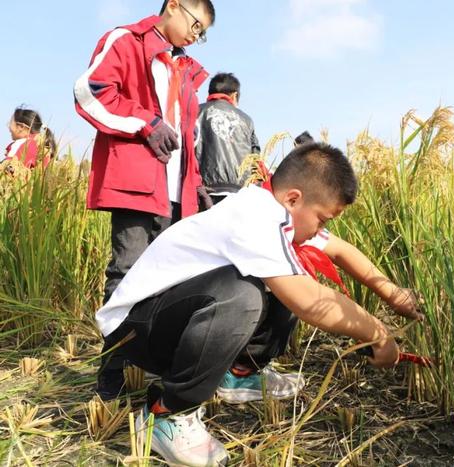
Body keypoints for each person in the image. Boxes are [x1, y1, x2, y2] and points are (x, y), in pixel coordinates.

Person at [97, 142, 422, 466]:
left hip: (170, 320)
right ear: (293, 198)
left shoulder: (278, 212)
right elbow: (309, 301)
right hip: (135, 332)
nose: (321, 230)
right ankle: (166, 414)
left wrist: (393, 294)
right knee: (248, 294)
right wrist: (378, 334)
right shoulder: (256, 216)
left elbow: (340, 250)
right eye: (322, 220)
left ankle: (240, 374)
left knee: (283, 279)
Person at [73, 0, 216, 400]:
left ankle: (151, 363)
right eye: (195, 23)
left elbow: (187, 134)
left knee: (171, 281)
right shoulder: (128, 41)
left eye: (202, 33)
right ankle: (113, 370)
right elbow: (91, 91)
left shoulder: (186, 69)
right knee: (126, 274)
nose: (196, 35)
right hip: (136, 183)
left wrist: (197, 182)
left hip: (177, 192)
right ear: (173, 6)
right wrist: (145, 122)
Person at [196, 72, 260, 206]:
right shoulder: (247, 120)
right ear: (235, 95)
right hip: (240, 194)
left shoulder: (196, 111)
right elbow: (256, 161)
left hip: (205, 192)